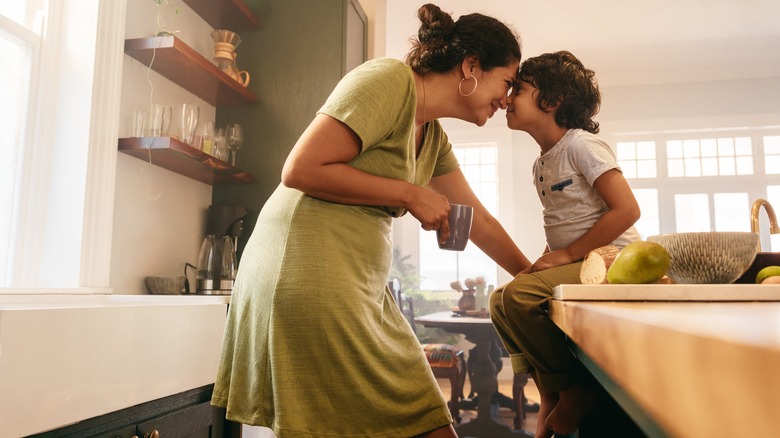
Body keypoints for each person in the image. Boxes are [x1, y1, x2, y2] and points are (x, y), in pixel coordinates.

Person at [211, 4, 530, 437]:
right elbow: (300, 169)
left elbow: (480, 221)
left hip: (359, 285)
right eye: (507, 82)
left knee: (425, 418)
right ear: (471, 65)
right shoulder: (387, 81)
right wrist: (409, 193)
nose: (507, 99)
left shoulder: (432, 135)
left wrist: (531, 277)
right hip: (306, 270)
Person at [489, 51, 641, 438]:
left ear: (552, 101)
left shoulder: (582, 145)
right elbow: (564, 225)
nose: (507, 99)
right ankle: (549, 389)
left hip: (611, 260)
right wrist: (546, 259)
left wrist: (568, 255)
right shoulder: (542, 163)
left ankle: (575, 390)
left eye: (518, 90)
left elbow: (627, 210)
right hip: (579, 258)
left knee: (519, 297)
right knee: (500, 298)